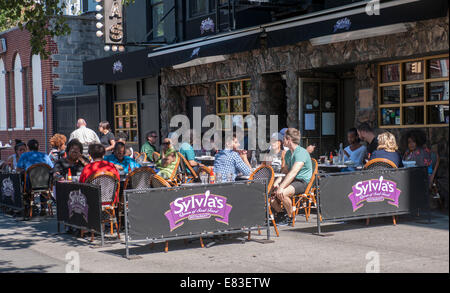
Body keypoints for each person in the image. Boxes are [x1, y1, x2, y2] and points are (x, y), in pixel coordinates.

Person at [271, 128, 312, 224]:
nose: (282, 140)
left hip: (302, 181)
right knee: (271, 194)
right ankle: (281, 214)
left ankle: (290, 217)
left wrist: (281, 187)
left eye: (284, 138)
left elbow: (293, 172)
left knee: (282, 193)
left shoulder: (301, 152)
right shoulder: (288, 153)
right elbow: (285, 171)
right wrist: (277, 183)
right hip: (292, 180)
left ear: (289, 139)